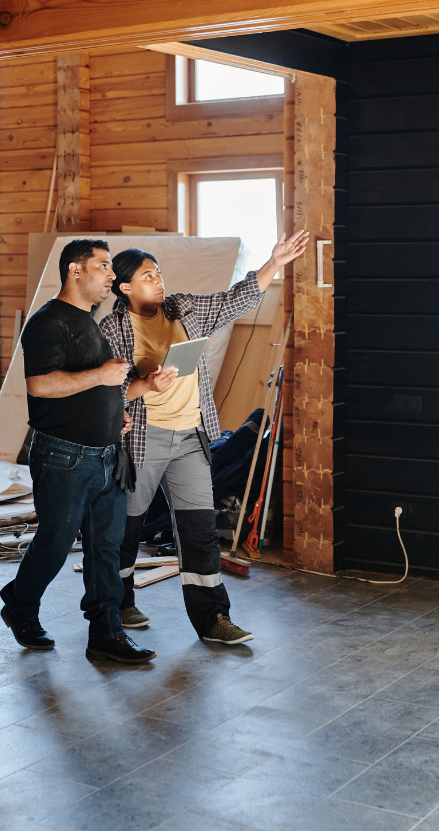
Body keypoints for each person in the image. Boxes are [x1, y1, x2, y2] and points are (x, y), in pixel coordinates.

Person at [99, 229, 309, 644]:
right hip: (143, 439)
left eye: (158, 273)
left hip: (191, 437)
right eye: (147, 276)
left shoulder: (185, 310)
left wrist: (275, 263)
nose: (159, 281)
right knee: (127, 527)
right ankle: (118, 601)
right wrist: (146, 383)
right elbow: (103, 390)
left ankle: (213, 619)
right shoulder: (111, 329)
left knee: (199, 530)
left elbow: (236, 299)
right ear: (124, 287)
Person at [0, 239, 156, 665]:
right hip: (64, 457)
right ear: (75, 270)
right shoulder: (48, 323)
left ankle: (106, 634)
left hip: (107, 455)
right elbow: (41, 385)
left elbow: (94, 387)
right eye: (103, 266)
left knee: (105, 547)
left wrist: (116, 413)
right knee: (55, 542)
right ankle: (20, 605)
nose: (111, 274)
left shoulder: (90, 321)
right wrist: (103, 375)